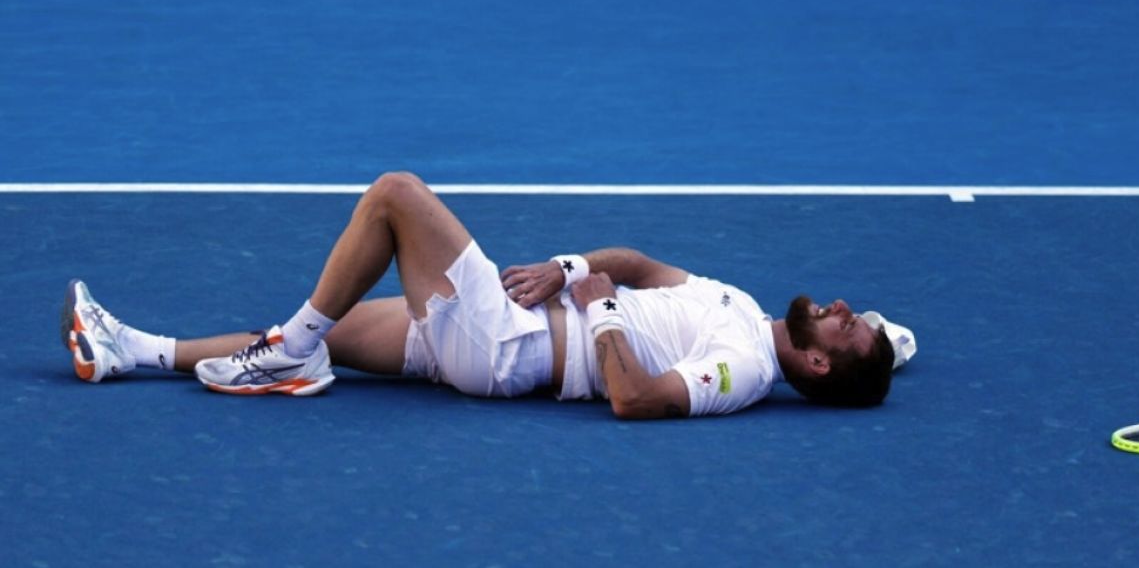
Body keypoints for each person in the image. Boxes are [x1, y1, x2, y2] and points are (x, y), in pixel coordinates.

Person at [60, 172, 917, 419]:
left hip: (507, 347)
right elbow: (641, 263)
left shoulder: (742, 370)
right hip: (504, 328)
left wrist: (598, 305)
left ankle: (284, 358)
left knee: (396, 195)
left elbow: (635, 399)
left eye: (846, 330)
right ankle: (129, 350)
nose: (846, 310)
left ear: (812, 361)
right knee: (324, 328)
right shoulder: (742, 307)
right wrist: (570, 265)